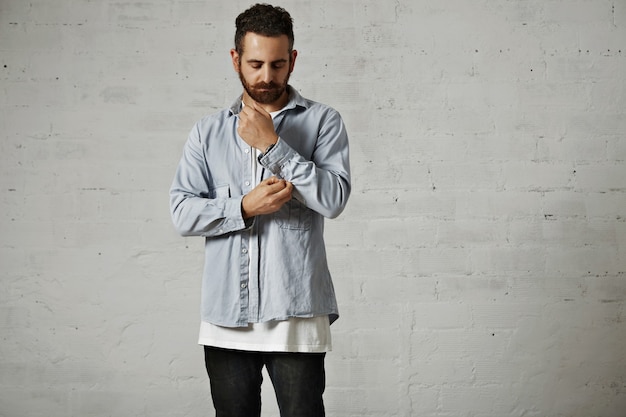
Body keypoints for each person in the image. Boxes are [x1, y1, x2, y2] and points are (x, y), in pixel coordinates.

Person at [169, 4, 351, 416]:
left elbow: (334, 198)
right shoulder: (207, 132)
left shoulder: (323, 122)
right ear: (235, 59)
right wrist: (243, 208)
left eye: (277, 64)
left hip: (297, 313)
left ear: (293, 60)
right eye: (255, 64)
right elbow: (182, 212)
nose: (266, 77)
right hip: (226, 317)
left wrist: (273, 146)